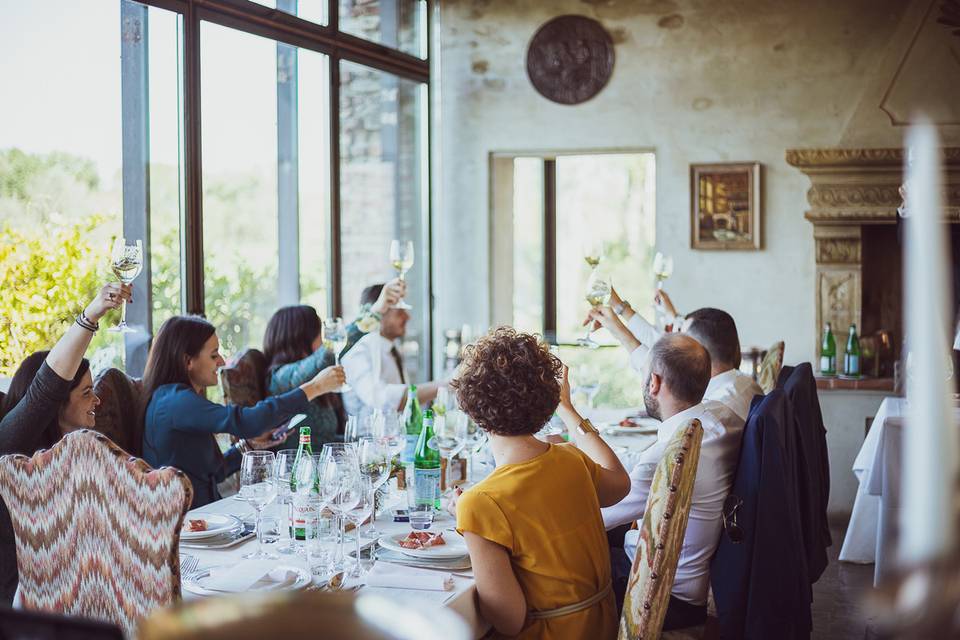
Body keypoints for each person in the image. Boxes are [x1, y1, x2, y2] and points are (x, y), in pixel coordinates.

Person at [450, 327, 630, 639]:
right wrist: (568, 409)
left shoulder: (479, 503)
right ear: (546, 401)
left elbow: (508, 620)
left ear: (471, 408)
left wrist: (469, 526)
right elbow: (620, 482)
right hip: (602, 627)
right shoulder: (571, 460)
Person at [0, 281, 132, 604]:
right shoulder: (11, 444)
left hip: (79, 590)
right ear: (55, 406)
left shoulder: (73, 451)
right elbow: (47, 387)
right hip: (25, 608)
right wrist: (91, 315)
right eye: (86, 392)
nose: (98, 401)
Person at [600, 334, 743, 630]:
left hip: (661, 596)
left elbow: (597, 517)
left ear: (654, 382)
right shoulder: (723, 418)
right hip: (692, 581)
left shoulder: (666, 457)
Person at [141, 315, 344, 508]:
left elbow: (215, 473)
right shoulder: (175, 402)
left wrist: (250, 445)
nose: (221, 361)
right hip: (186, 526)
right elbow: (246, 422)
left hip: (205, 516)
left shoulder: (176, 400)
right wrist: (314, 387)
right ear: (188, 361)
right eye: (213, 355)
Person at [588, 288, 762, 420]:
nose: (672, 341)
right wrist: (621, 309)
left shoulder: (714, 407)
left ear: (698, 351)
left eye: (680, 338)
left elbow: (660, 364)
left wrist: (619, 328)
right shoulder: (744, 384)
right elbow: (658, 349)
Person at [341, 280, 442, 414]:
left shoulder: (394, 350)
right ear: (380, 314)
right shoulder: (359, 353)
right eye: (400, 312)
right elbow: (382, 400)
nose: (408, 317)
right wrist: (445, 385)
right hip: (368, 435)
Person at [262, 305, 347, 447]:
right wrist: (372, 315)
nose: (323, 341)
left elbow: (326, 440)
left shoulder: (314, 379)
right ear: (301, 339)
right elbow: (323, 357)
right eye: (320, 334)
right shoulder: (280, 378)